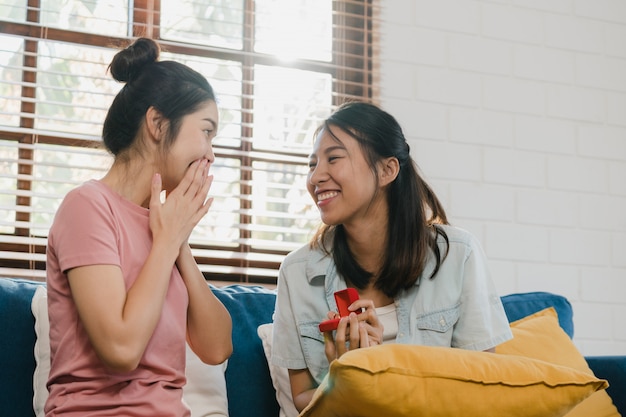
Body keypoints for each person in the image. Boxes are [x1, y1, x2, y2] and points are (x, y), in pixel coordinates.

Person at [271, 101, 513, 412]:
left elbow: (480, 385)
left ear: (387, 170)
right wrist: (346, 377)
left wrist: (381, 372)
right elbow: (301, 396)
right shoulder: (296, 272)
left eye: (333, 159)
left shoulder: (458, 256)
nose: (316, 177)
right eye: (312, 164)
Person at [44, 37, 232, 417]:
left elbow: (216, 348)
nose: (211, 153)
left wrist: (176, 241)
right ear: (158, 123)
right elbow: (121, 350)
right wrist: (165, 244)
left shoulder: (164, 225)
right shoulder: (86, 207)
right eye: (207, 131)